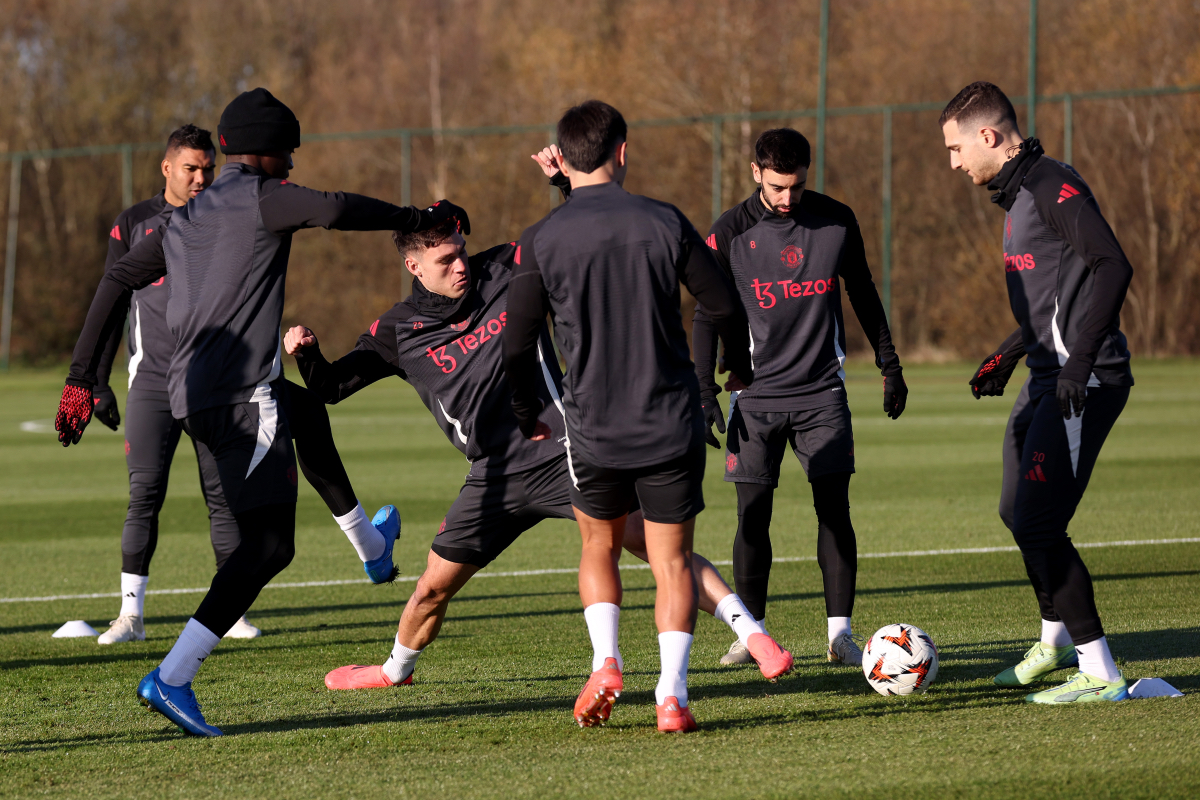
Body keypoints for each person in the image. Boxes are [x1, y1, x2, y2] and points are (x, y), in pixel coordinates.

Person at [286, 177, 791, 707]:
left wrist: (563, 185)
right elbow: (331, 388)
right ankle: (394, 670)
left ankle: (751, 633)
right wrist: (308, 353)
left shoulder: (507, 269)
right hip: (493, 478)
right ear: (413, 267)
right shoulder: (398, 330)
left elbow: (578, 232)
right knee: (431, 588)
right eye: (445, 261)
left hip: (565, 450)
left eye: (461, 252)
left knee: (654, 544)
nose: (461, 266)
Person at [55, 87, 466, 736]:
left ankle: (370, 543)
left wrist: (81, 376)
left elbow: (114, 281)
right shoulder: (259, 196)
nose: (293, 165)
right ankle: (172, 676)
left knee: (304, 419)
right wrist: (417, 216)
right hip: (242, 397)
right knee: (270, 545)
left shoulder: (183, 218)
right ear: (264, 152)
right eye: (289, 152)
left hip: (195, 397)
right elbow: (333, 210)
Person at [503, 101, 763, 733]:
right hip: (670, 421)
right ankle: (671, 695)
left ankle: (606, 661)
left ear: (562, 159)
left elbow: (516, 339)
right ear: (623, 150)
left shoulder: (541, 238)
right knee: (673, 562)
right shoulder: (663, 220)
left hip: (591, 426)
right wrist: (736, 367)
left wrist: (523, 410)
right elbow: (724, 304)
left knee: (598, 545)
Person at [941, 81, 1134, 703]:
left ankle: (1101, 672)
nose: (954, 162)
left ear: (989, 137)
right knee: (1014, 509)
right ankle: (1054, 642)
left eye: (956, 147)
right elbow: (1054, 299)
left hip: (1084, 380)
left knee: (1040, 519)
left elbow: (1112, 265)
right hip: (1046, 375)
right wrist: (1010, 350)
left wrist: (1078, 365)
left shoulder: (1052, 185)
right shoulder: (1018, 194)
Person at [692, 128, 907, 670]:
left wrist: (890, 363)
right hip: (755, 397)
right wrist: (702, 389)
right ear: (755, 172)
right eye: (779, 186)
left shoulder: (836, 220)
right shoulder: (728, 232)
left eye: (798, 186)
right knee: (751, 517)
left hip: (821, 395)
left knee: (834, 512)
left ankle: (839, 636)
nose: (789, 198)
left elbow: (862, 290)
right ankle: (753, 633)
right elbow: (705, 313)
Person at [90, 124, 261, 644]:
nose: (201, 177)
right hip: (151, 382)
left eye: (208, 168)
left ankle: (229, 614)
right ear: (167, 167)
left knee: (225, 498)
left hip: (213, 382)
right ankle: (131, 617)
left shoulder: (229, 218)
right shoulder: (134, 223)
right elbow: (111, 299)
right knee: (144, 493)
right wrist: (95, 380)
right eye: (191, 167)